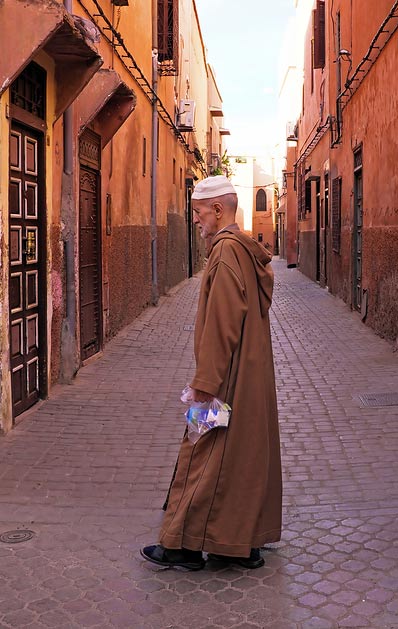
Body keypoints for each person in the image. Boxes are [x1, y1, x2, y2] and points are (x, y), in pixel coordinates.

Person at [141, 175, 282, 570]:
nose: (196, 220)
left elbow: (222, 323)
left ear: (217, 210)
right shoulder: (244, 250)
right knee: (241, 458)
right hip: (248, 379)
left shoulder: (224, 252)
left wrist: (205, 385)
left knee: (198, 452)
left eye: (199, 213)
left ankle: (181, 546)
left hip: (223, 381)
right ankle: (237, 543)